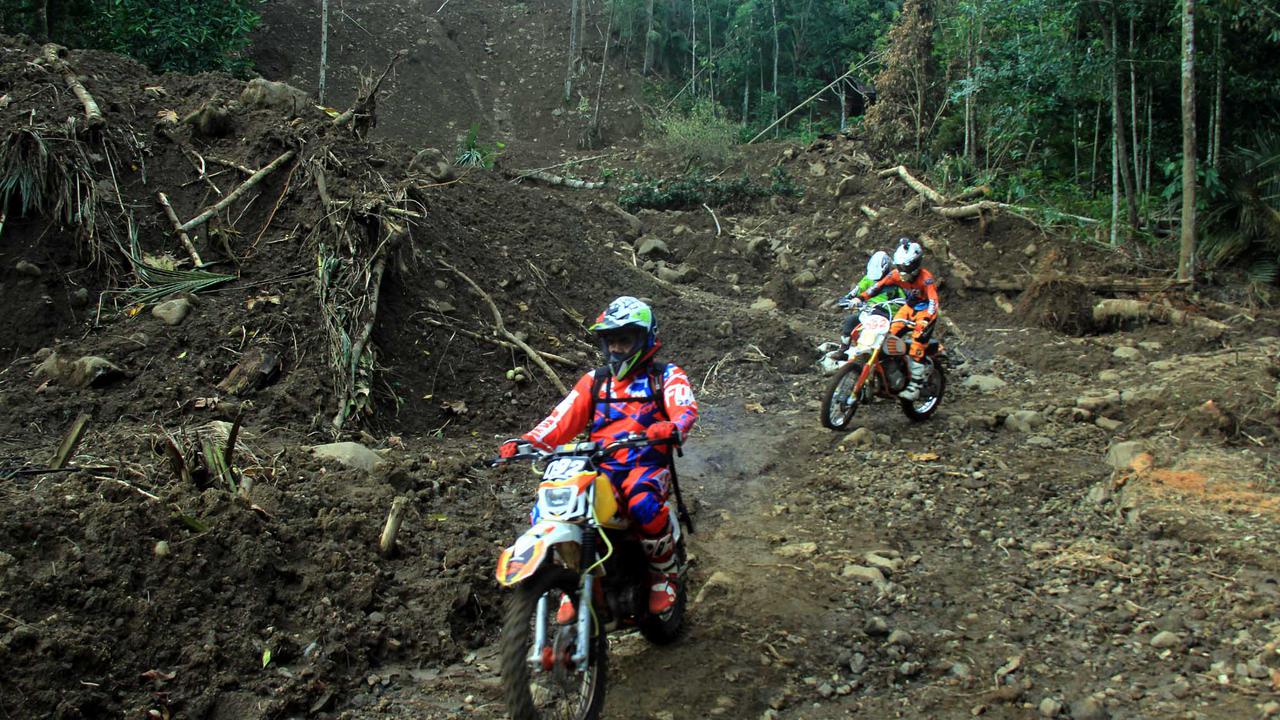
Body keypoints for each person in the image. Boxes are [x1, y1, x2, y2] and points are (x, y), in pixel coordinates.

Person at [499, 296, 698, 616]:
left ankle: (664, 573)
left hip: (645, 465)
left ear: (645, 339)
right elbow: (560, 419)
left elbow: (684, 407)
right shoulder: (596, 381)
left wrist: (672, 426)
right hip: (599, 465)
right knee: (552, 508)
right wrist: (527, 441)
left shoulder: (665, 376)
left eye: (624, 340)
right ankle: (575, 578)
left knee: (642, 502)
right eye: (610, 341)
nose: (616, 348)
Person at [852, 237, 940, 400]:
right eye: (899, 266)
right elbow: (878, 286)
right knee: (887, 337)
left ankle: (915, 386)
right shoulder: (895, 275)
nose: (902, 270)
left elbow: (933, 301)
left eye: (905, 267)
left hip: (925, 311)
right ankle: (893, 370)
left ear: (915, 264)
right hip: (908, 308)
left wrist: (927, 319)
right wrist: (861, 298)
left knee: (917, 344)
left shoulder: (926, 278)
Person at [822, 250, 903, 371]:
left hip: (889, 314)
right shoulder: (868, 279)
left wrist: (905, 302)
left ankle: (892, 361)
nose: (877, 280)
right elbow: (855, 291)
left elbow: (907, 297)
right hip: (870, 312)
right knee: (851, 320)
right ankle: (843, 349)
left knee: (890, 339)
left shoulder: (898, 281)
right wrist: (848, 299)